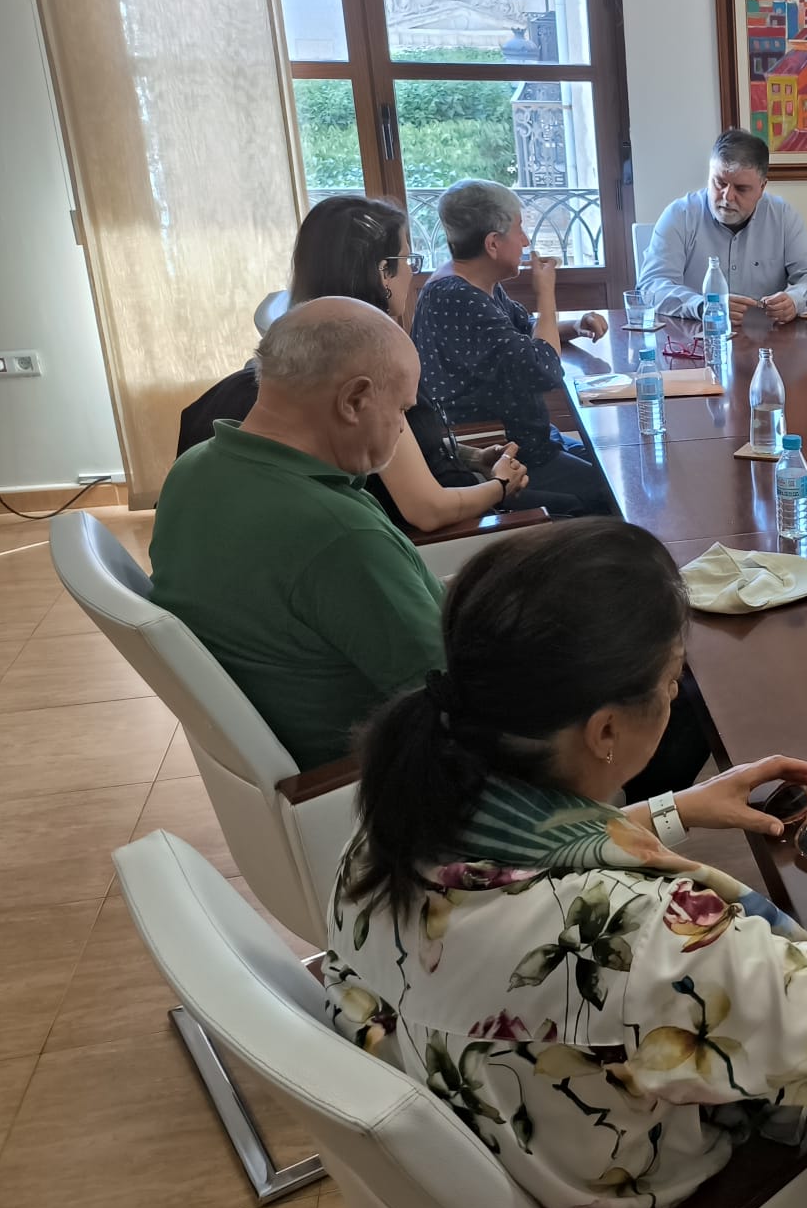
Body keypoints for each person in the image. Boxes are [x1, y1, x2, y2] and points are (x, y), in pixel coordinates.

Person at [323, 519, 807, 1208]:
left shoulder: (396, 812)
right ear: (605, 732)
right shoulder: (637, 938)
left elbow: (523, 873)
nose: (674, 695)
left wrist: (671, 811)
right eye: (672, 682)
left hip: (505, 1121)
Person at [152, 299, 444, 769]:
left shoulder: (193, 471)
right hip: (385, 776)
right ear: (353, 400)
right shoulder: (338, 535)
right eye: (402, 409)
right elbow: (458, 701)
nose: (403, 426)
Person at [177, 195, 558, 531]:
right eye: (410, 259)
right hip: (434, 536)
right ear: (383, 271)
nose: (414, 272)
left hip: (449, 492)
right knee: (580, 514)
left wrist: (470, 456)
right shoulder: (362, 366)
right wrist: (499, 485)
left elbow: (394, 452)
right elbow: (426, 509)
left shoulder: (304, 351)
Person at [410, 179, 614, 515]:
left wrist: (573, 327)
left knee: (618, 464)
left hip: (536, 440)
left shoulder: (476, 282)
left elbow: (526, 331)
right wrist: (546, 294)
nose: (525, 241)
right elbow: (543, 369)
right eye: (519, 230)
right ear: (493, 243)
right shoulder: (456, 296)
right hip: (501, 453)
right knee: (616, 497)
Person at [638, 128, 807, 327]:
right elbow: (651, 287)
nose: (727, 197)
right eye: (719, 183)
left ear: (762, 187)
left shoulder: (782, 216)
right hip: (695, 342)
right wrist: (702, 306)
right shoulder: (679, 215)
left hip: (767, 345)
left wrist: (795, 300)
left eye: (741, 188)